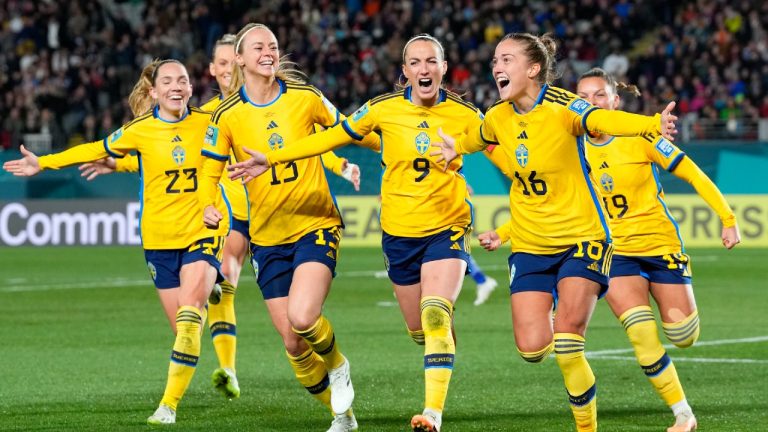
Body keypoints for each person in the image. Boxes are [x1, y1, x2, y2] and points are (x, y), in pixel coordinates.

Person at [78, 35, 363, 402]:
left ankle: (224, 314)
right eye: (222, 64)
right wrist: (118, 163)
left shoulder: (280, 102)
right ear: (213, 70)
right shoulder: (213, 115)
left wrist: (341, 164)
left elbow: (308, 143)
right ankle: (229, 365)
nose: (228, 70)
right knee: (232, 281)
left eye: (233, 62)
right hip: (233, 213)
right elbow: (177, 159)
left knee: (295, 319)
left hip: (280, 211)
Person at [227, 33, 485, 432]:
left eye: (432, 61)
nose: (424, 69)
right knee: (418, 329)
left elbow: (502, 143)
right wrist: (274, 158)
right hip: (398, 233)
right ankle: (347, 409)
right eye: (415, 62)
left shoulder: (466, 114)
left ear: (444, 68)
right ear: (405, 71)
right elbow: (334, 135)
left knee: (434, 314)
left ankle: (432, 413)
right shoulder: (382, 109)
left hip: (447, 224)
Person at [432, 33, 677, 432]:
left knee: (567, 344)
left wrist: (651, 124)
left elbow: (602, 120)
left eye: (506, 59)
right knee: (532, 349)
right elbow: (475, 138)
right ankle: (553, 306)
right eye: (495, 60)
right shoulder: (497, 117)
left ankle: (586, 427)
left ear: (533, 69)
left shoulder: (564, 107)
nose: (496, 67)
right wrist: (454, 147)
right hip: (531, 246)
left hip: (583, 240)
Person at [3, 59, 230, 425]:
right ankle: (208, 285)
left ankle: (168, 406)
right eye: (168, 81)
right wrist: (43, 163)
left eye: (183, 81)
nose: (176, 87)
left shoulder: (211, 124)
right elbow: (94, 149)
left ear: (191, 88)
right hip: (159, 238)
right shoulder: (139, 130)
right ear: (154, 91)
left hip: (203, 229)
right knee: (184, 330)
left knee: (189, 321)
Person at [198, 23, 375, 432]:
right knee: (293, 343)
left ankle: (338, 365)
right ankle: (342, 416)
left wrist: (391, 143)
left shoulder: (305, 97)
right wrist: (208, 204)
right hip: (266, 236)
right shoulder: (226, 115)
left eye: (273, 46)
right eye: (258, 47)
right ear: (240, 59)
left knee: (303, 316)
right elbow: (208, 172)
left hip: (315, 222)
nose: (268, 52)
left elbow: (348, 128)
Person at [576, 67, 740, 432]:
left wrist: (727, 217)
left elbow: (692, 172)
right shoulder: (572, 148)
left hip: (660, 244)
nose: (591, 102)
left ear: (614, 101)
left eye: (599, 95)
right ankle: (683, 414)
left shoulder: (641, 136)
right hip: (616, 252)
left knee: (683, 336)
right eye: (583, 97)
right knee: (640, 334)